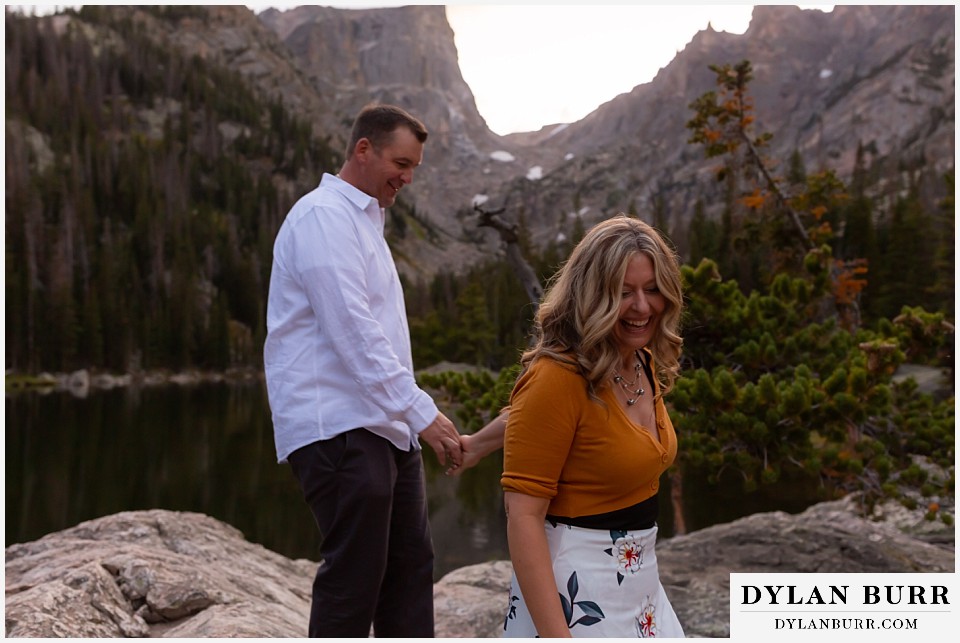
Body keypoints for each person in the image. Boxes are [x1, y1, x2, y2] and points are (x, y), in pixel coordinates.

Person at [264, 103, 463, 638]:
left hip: (385, 428)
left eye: (415, 167)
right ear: (363, 149)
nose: (408, 176)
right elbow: (352, 331)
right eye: (401, 162)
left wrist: (408, 420)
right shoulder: (322, 217)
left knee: (410, 570)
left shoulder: (363, 222)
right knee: (355, 580)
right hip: (338, 426)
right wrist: (424, 412)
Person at [456, 214, 686, 637]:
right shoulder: (556, 377)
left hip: (639, 586)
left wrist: (477, 444)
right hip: (575, 595)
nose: (642, 306)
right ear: (592, 295)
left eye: (652, 289)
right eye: (623, 292)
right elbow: (522, 517)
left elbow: (560, 427)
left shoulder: (640, 360)